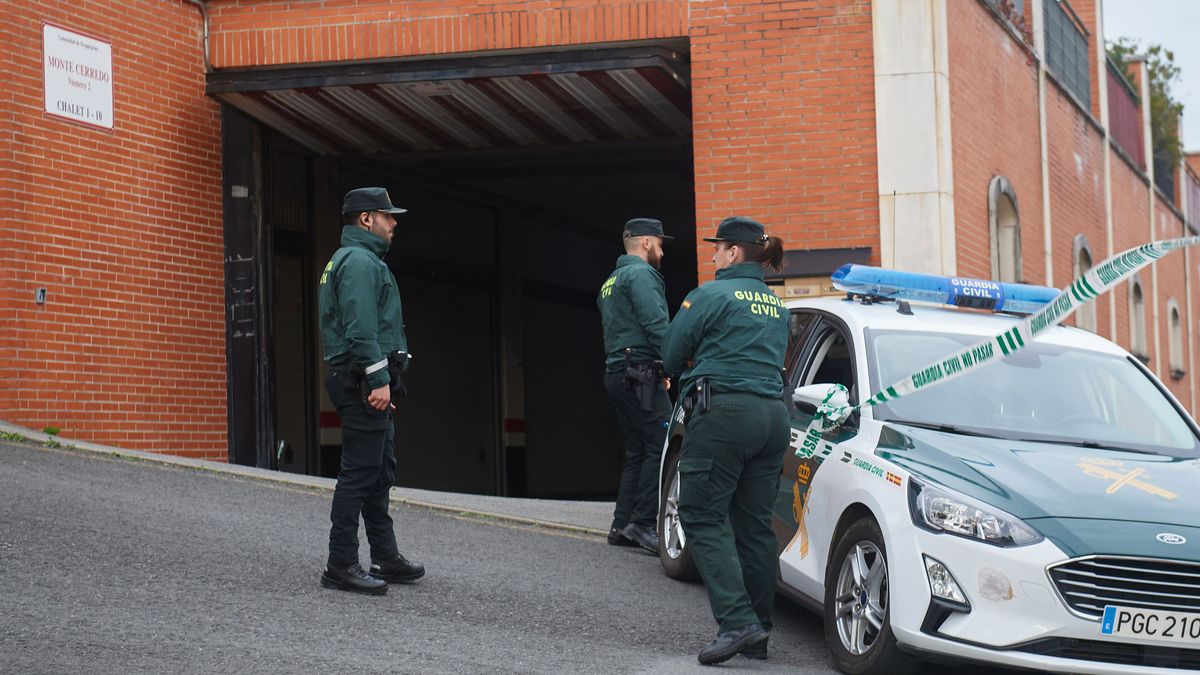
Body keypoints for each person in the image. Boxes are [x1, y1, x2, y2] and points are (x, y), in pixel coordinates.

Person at [661, 216, 789, 664]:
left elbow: (671, 354)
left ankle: (737, 623)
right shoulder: (779, 308)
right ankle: (759, 632)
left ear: (733, 252)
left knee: (700, 511)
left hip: (725, 414)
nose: (713, 255)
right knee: (754, 524)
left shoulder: (710, 295)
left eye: (717, 248)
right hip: (774, 418)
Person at [317, 187, 425, 595]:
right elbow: (360, 328)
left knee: (379, 472)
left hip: (364, 376)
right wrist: (379, 379)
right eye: (387, 215)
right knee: (360, 474)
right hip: (362, 378)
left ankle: (385, 555)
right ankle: (340, 563)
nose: (394, 222)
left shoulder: (352, 260)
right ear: (367, 219)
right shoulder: (360, 262)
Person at [597, 218, 674, 554]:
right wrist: (676, 359)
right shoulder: (641, 275)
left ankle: (621, 525)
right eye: (659, 243)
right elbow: (656, 323)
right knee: (660, 446)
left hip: (618, 373)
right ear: (645, 243)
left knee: (637, 451)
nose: (662, 250)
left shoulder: (611, 280)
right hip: (640, 375)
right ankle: (643, 524)